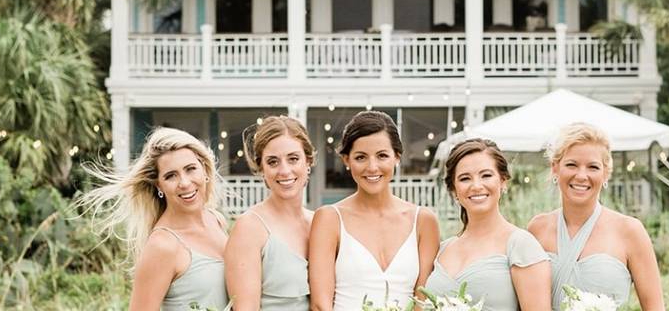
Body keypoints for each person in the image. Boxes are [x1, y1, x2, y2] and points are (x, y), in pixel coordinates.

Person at [79, 127, 229, 311]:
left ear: (204, 170)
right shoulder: (163, 246)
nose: (184, 183)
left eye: (190, 169)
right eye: (170, 176)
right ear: (159, 185)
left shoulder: (216, 220)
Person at [308, 110, 440, 311]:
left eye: (382, 156)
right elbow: (320, 305)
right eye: (360, 157)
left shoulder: (423, 221)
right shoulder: (329, 218)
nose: (372, 167)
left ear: (397, 157)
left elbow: (423, 301)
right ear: (346, 160)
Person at [527, 123, 665, 310]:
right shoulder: (537, 229)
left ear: (606, 173)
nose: (582, 176)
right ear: (555, 168)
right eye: (571, 165)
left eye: (593, 167)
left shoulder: (630, 231)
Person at [424, 138, 550, 310]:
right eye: (465, 178)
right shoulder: (443, 249)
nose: (476, 186)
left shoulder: (521, 245)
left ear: (503, 181)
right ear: (454, 190)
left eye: (486, 175)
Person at [225, 116, 315, 310]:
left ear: (308, 162)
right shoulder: (249, 228)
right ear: (262, 169)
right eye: (273, 162)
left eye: (293, 159)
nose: (284, 171)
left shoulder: (318, 222)